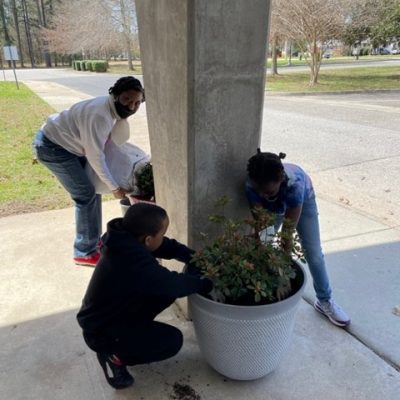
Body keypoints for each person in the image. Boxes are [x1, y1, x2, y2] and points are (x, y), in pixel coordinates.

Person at [76, 202, 213, 390]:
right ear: (148, 239)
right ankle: (113, 355)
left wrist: (196, 258)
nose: (163, 238)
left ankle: (130, 335)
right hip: (101, 331)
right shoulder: (132, 262)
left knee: (163, 293)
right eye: (162, 234)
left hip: (113, 312)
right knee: (171, 341)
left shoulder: (124, 239)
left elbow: (166, 247)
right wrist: (206, 282)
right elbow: (172, 284)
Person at [33, 76, 145, 267]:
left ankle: (92, 241)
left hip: (72, 145)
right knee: (86, 194)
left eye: (137, 102)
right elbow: (96, 156)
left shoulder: (110, 110)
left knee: (94, 189)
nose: (131, 106)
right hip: (53, 147)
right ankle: (84, 251)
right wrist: (114, 187)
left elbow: (108, 146)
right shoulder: (100, 115)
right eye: (126, 99)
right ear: (115, 95)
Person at [246, 149, 350, 328]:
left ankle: (325, 300)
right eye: (260, 191)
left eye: (268, 192)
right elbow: (262, 226)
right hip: (274, 206)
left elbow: (287, 237)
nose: (263, 196)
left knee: (314, 254)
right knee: (262, 243)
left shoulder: (295, 185)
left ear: (280, 179)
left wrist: (284, 276)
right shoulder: (251, 185)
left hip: (303, 200)